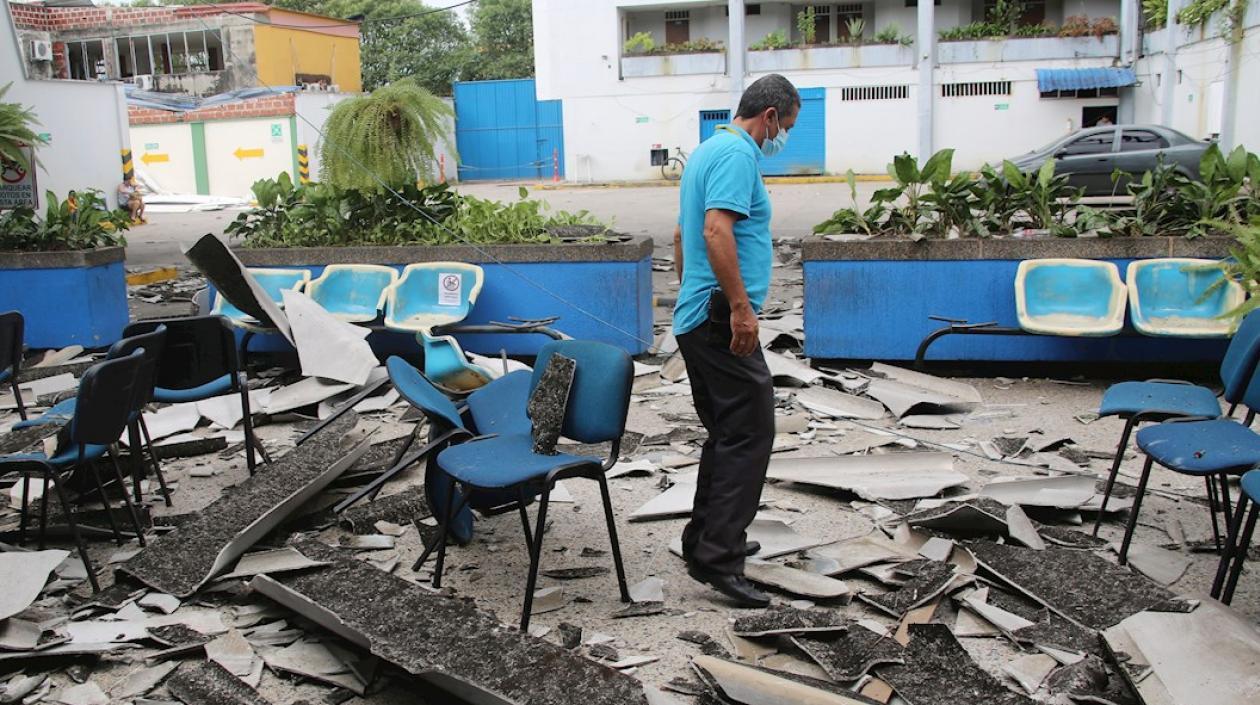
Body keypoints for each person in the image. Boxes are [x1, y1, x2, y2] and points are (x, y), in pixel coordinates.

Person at [671, 73, 800, 607]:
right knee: (750, 433)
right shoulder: (738, 154)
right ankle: (719, 557)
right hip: (720, 317)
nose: (783, 137)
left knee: (728, 433)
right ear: (768, 116)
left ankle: (705, 541)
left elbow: (681, 235)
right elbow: (714, 231)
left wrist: (693, 293)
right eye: (786, 126)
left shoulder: (708, 149)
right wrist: (739, 309)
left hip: (701, 313)